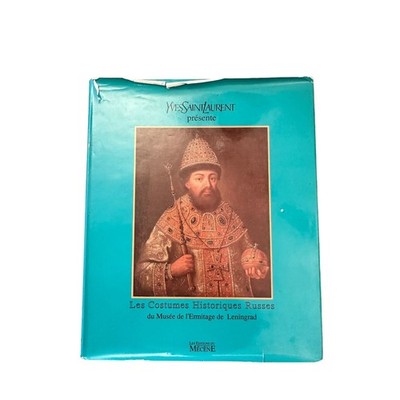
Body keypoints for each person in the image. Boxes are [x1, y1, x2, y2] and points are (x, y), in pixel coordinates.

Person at [135, 135, 270, 297]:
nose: (208, 185)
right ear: (187, 183)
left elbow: (249, 250)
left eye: (212, 178)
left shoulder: (228, 213)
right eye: (199, 178)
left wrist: (254, 259)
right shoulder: (172, 217)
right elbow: (141, 275)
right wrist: (171, 270)